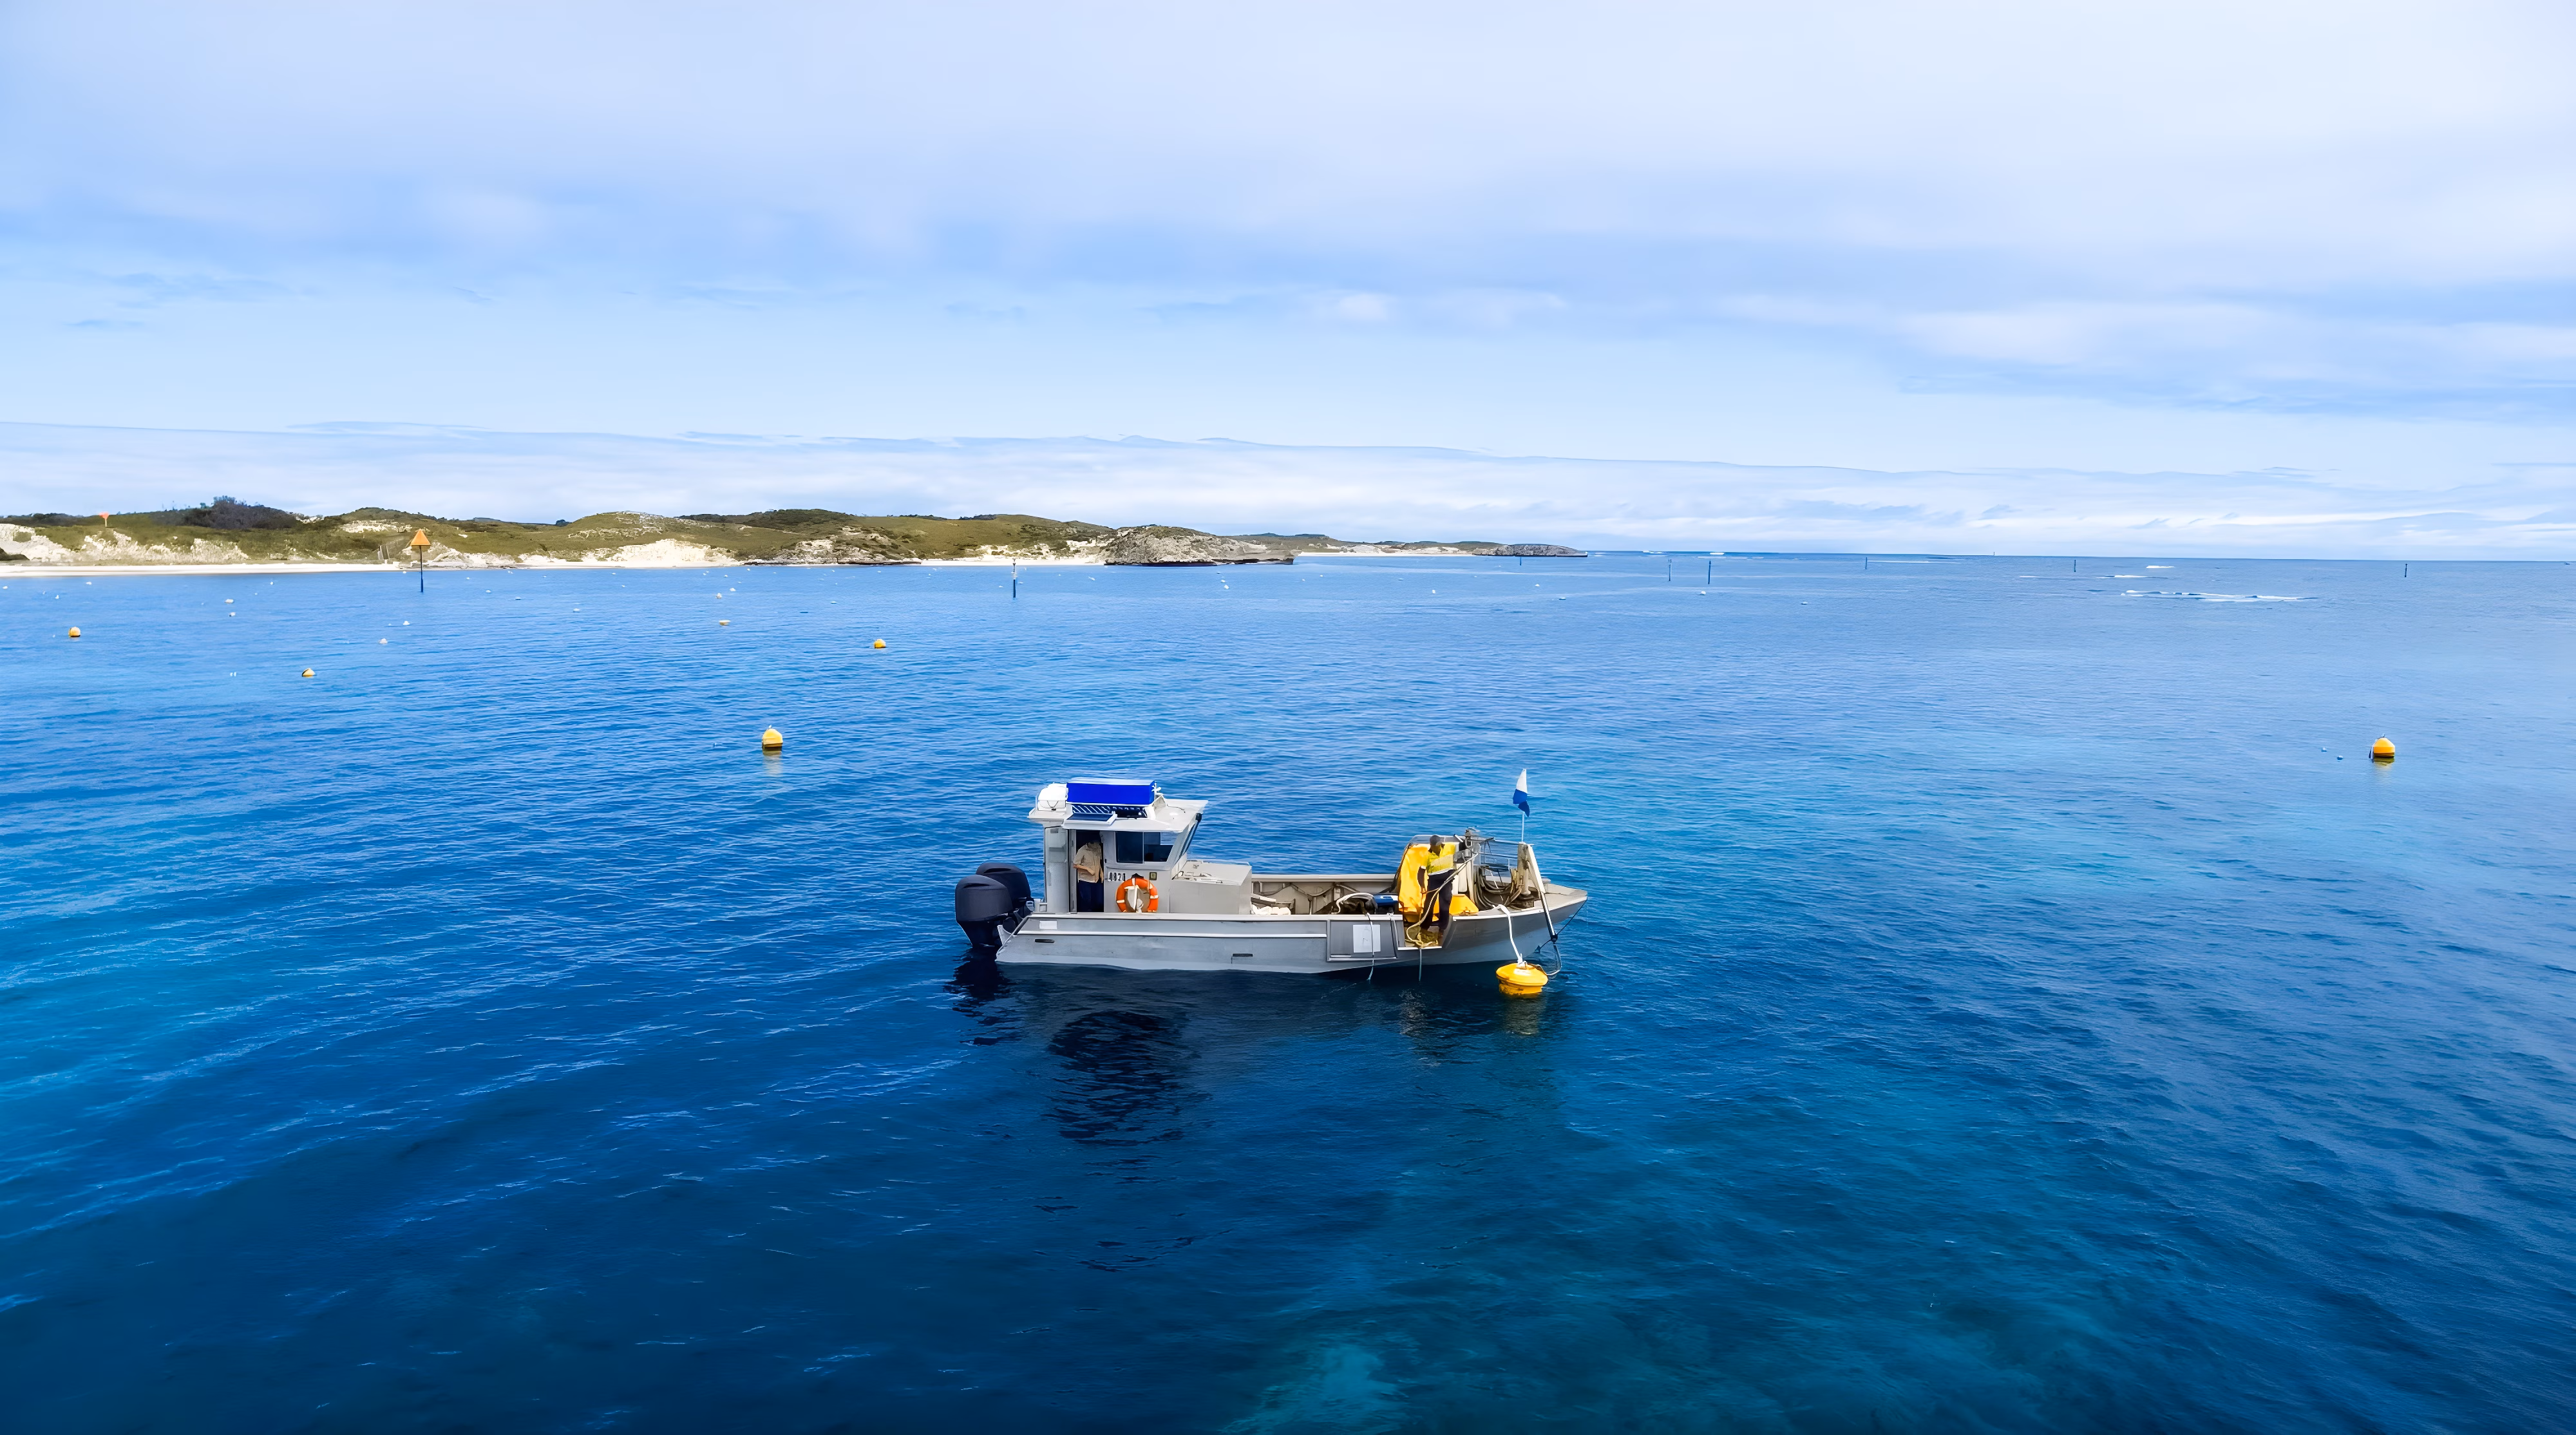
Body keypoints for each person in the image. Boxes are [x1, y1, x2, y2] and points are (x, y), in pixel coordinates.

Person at [1073, 833, 1105, 913]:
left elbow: (1099, 862)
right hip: (1085, 880)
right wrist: (1088, 869)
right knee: (1086, 900)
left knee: (1098, 900)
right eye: (1095, 844)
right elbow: (1075, 865)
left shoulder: (1098, 849)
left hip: (1096, 879)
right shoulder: (1082, 850)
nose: (1097, 845)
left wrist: (1102, 873)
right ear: (1090, 843)